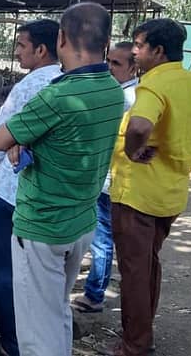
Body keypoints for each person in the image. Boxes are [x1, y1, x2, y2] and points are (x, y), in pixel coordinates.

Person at [0, 2, 126, 356]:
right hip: (81, 221)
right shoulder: (112, 90)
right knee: (57, 313)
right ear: (107, 42)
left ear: (62, 37)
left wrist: (22, 139)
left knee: (36, 332)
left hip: (42, 227)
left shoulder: (57, 96)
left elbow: (0, 140)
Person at [103, 19, 191, 356]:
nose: (135, 52)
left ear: (158, 50)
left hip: (137, 194)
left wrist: (130, 149)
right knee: (148, 265)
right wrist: (182, 143)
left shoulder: (153, 85)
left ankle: (135, 344)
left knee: (135, 272)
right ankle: (140, 335)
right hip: (169, 193)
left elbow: (140, 124)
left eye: (139, 46)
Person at [0, 19, 61, 356]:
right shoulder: (68, 84)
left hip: (9, 192)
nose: (16, 52)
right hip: (46, 196)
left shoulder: (29, 86)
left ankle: (11, 343)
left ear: (41, 50)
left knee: (4, 271)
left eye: (21, 46)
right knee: (37, 276)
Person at [71, 42, 138, 314]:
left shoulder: (125, 97)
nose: (109, 68)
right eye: (108, 61)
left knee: (101, 238)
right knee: (104, 236)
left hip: (110, 178)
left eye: (117, 64)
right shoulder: (127, 93)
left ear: (133, 67)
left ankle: (95, 294)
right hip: (110, 176)